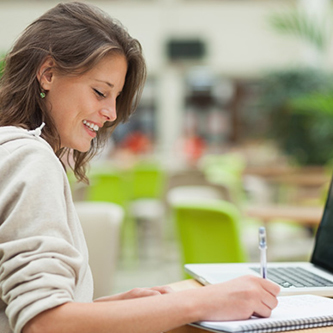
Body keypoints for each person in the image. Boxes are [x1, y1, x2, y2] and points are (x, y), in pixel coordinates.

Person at [0, 2, 280, 333]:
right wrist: (207, 301)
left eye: (115, 97)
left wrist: (114, 307)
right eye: (100, 92)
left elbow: (22, 313)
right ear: (48, 74)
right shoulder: (31, 159)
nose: (111, 113)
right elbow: (44, 325)